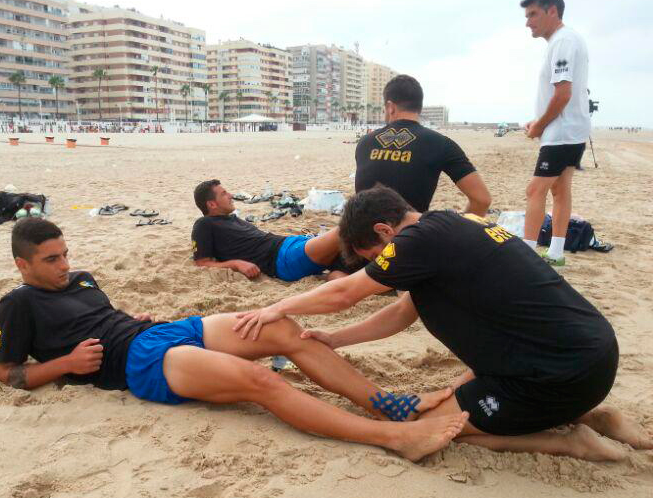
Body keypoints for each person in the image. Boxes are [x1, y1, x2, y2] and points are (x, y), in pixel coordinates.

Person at [0, 218, 468, 461]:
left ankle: (384, 403)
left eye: (64, 255)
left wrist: (126, 316)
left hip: (157, 332)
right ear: (23, 265)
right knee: (258, 382)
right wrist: (66, 364)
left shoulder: (82, 279)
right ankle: (393, 437)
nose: (63, 265)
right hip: (137, 365)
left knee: (281, 328)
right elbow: (7, 373)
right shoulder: (17, 305)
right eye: (52, 260)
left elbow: (99, 317)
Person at [235, 186, 653, 461]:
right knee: (449, 404)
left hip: (558, 375)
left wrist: (279, 307)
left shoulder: (418, 240)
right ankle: (594, 416)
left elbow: (346, 293)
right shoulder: (455, 225)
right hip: (585, 353)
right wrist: (336, 340)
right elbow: (402, 311)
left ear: (385, 230)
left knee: (425, 430)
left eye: (374, 258)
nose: (379, 269)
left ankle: (570, 441)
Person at [355, 75, 491, 216]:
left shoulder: (365, 142)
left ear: (390, 107)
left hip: (362, 234)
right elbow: (482, 200)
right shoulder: (441, 144)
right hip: (410, 235)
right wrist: (460, 230)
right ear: (419, 107)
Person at [521, 0, 590, 266]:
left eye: (533, 14)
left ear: (552, 11)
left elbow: (563, 94)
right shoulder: (566, 40)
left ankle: (526, 257)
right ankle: (556, 252)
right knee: (561, 190)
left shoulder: (563, 41)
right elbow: (561, 96)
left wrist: (539, 126)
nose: (528, 22)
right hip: (571, 129)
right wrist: (538, 121)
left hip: (561, 132)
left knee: (534, 191)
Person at [192, 180, 347, 281]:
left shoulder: (231, 218)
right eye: (224, 194)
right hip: (283, 258)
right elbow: (202, 263)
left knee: (353, 259)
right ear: (212, 204)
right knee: (348, 228)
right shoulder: (204, 224)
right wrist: (236, 263)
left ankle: (337, 277)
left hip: (292, 245)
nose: (231, 195)